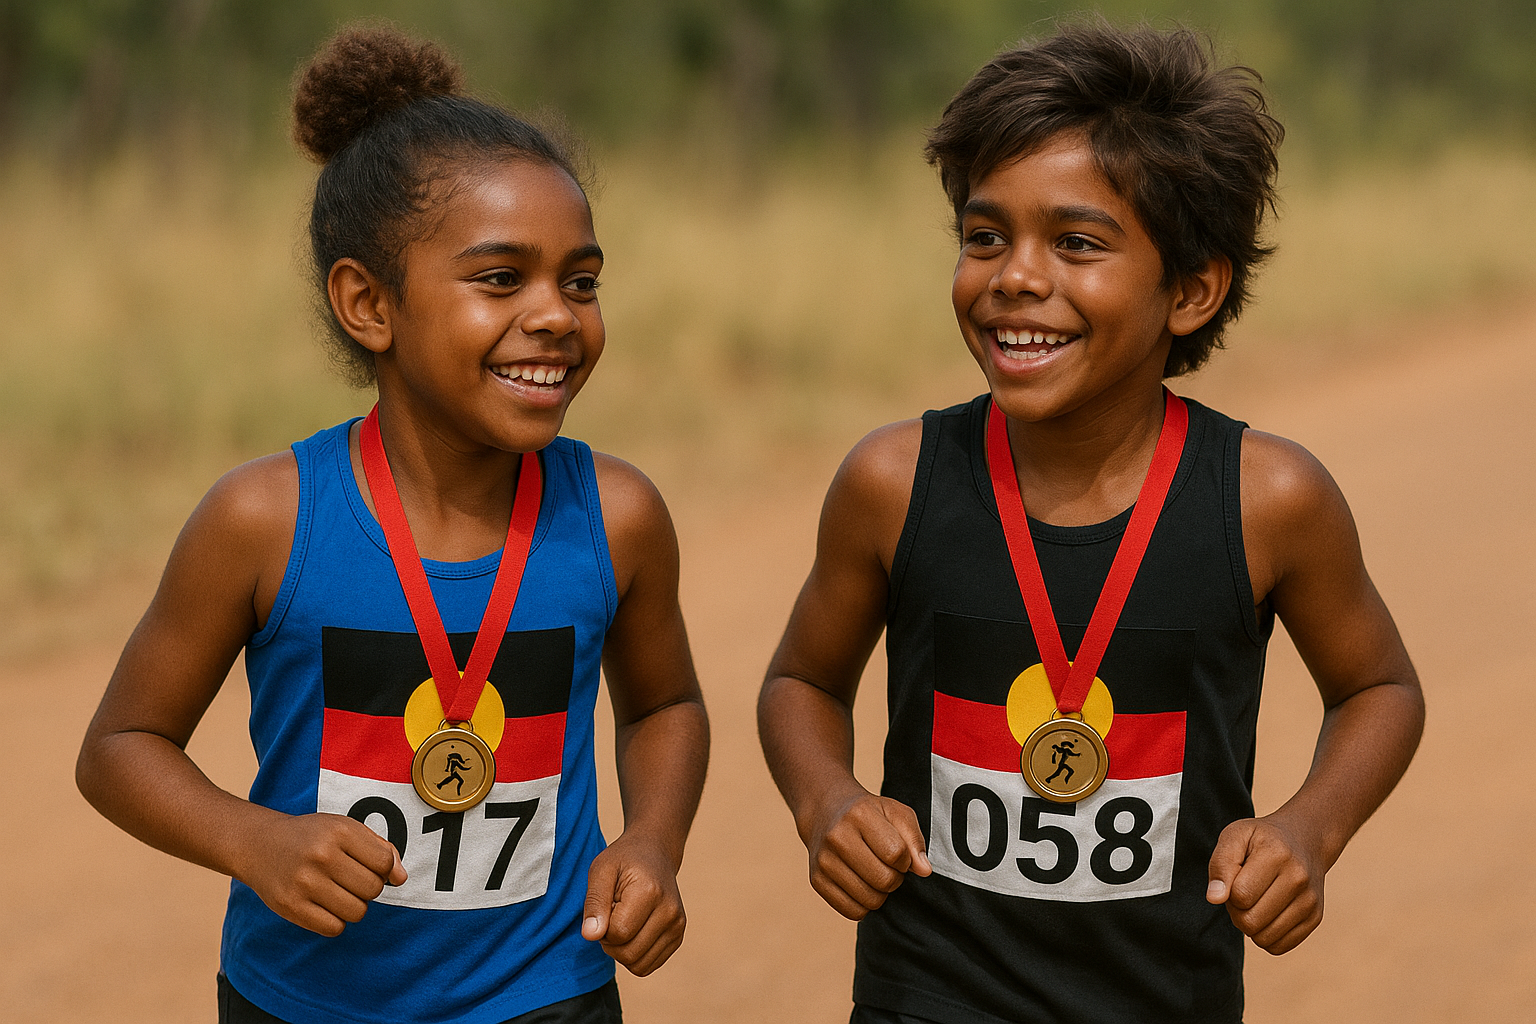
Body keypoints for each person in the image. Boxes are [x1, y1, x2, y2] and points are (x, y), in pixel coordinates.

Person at [757, 22, 1424, 1024]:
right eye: (986, 237)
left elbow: (1380, 688)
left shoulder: (1268, 499)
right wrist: (827, 801)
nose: (1017, 277)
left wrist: (1308, 830)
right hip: (928, 993)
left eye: (1076, 243)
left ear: (1192, 290)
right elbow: (801, 680)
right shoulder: (894, 482)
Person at [75, 26, 708, 1024]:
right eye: (502, 279)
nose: (555, 314)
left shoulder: (616, 516)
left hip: (547, 998)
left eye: (579, 281)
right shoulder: (266, 519)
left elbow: (664, 705)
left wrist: (652, 840)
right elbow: (120, 744)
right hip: (300, 1002)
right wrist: (253, 841)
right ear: (369, 303)